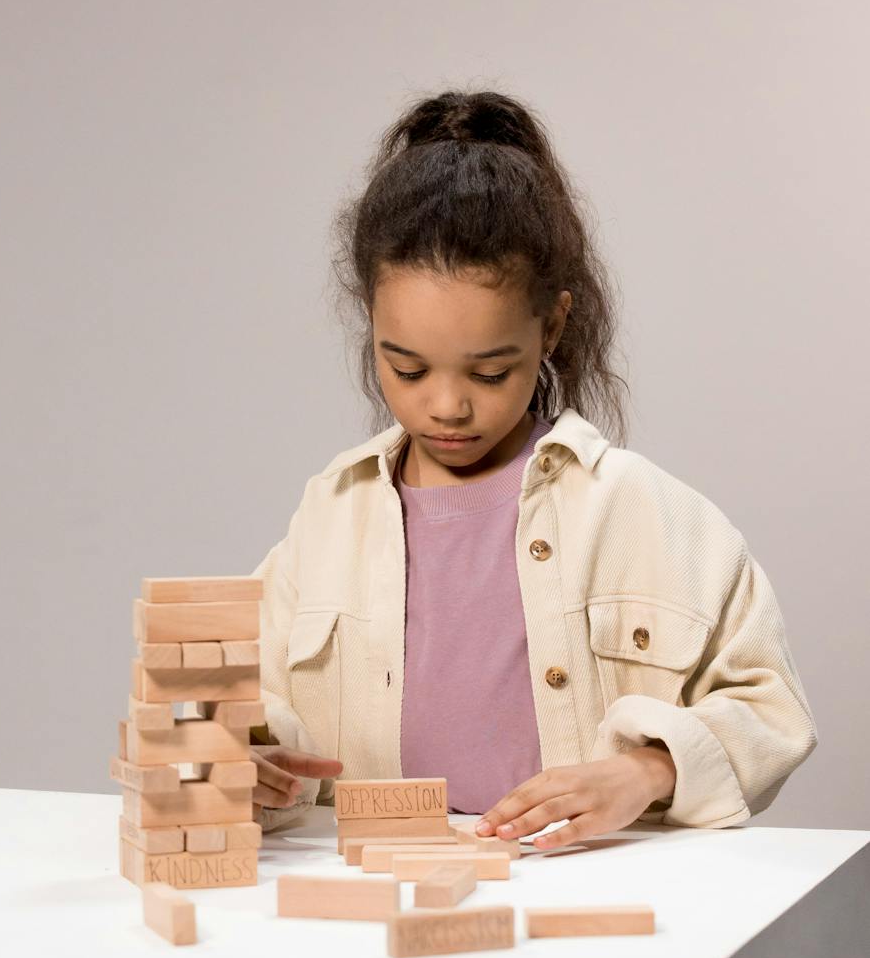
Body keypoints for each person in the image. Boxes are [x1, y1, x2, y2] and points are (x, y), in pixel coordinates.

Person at [247, 87, 817, 847]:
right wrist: (243, 760)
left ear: (550, 324)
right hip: (377, 898)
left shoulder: (640, 510)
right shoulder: (329, 515)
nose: (445, 408)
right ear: (370, 328)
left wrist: (647, 771)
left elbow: (771, 710)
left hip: (587, 893)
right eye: (407, 369)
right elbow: (249, 708)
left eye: (488, 373)